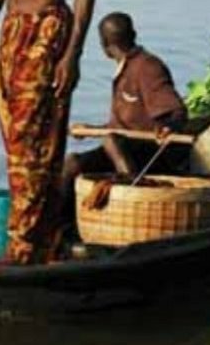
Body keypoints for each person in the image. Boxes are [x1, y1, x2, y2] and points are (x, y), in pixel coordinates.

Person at [0, 0, 96, 264]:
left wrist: (73, 53)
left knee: (27, 140)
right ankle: (47, 237)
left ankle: (23, 246)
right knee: (19, 141)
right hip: (12, 31)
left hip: (48, 28)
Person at [63, 12, 188, 208]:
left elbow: (177, 111)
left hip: (148, 155)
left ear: (104, 45)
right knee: (72, 163)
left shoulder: (147, 67)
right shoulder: (125, 70)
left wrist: (168, 126)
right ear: (134, 34)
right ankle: (59, 221)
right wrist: (91, 129)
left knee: (111, 140)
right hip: (122, 150)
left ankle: (132, 193)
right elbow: (121, 126)